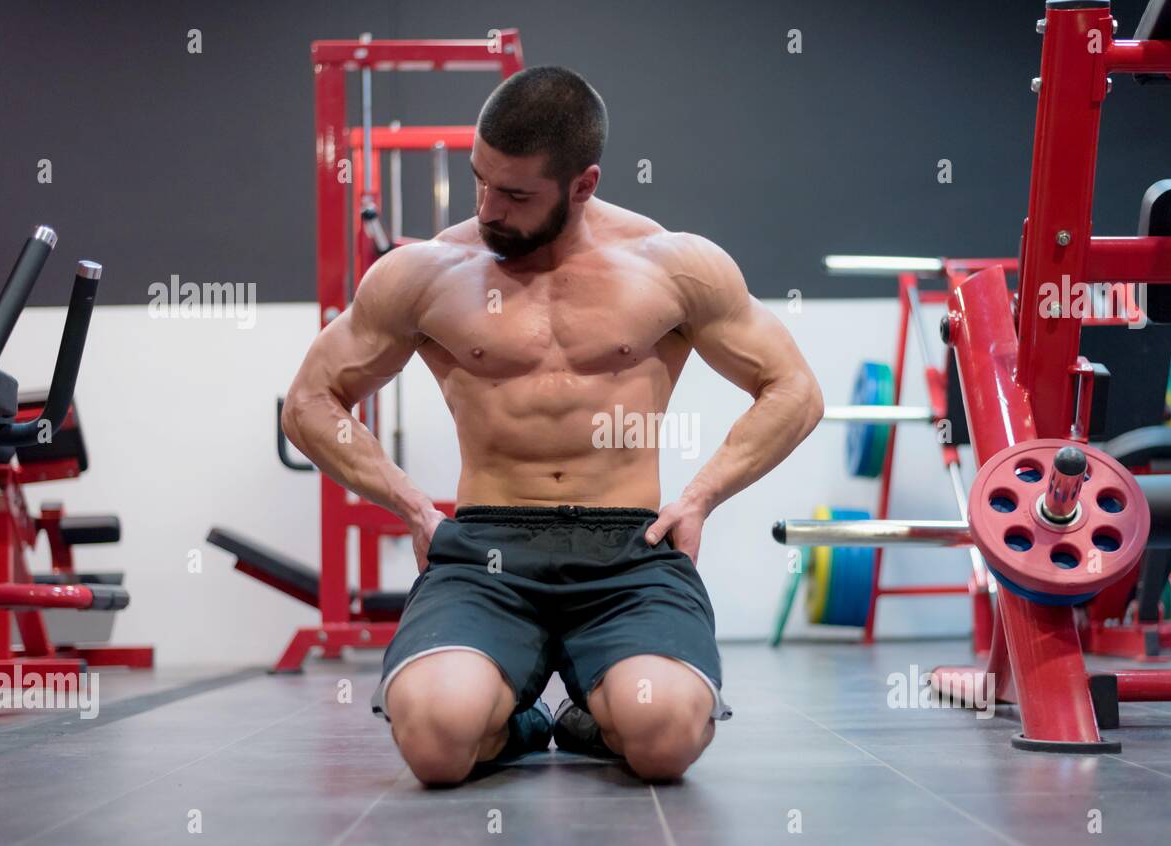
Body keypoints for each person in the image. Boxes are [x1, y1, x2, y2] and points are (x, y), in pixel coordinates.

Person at [282, 65, 823, 785]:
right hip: (485, 551)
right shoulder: (429, 270)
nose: (488, 208)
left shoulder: (671, 265)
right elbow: (310, 402)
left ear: (583, 184)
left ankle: (597, 717)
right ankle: (517, 722)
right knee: (435, 740)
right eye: (480, 180)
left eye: (514, 194)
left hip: (629, 550)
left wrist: (700, 497)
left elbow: (795, 390)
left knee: (664, 735)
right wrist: (412, 503)